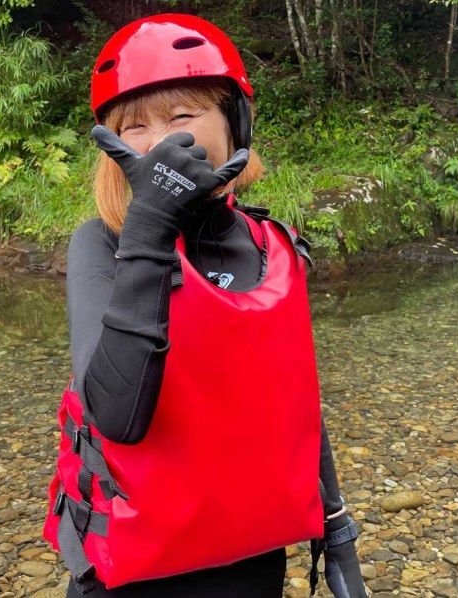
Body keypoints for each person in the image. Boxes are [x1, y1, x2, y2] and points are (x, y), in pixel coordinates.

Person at [41, 13, 368, 598]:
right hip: (134, 574)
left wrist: (336, 526)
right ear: (112, 145)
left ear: (234, 125)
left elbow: (298, 403)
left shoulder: (273, 247)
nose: (160, 139)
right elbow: (116, 416)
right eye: (135, 124)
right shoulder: (104, 245)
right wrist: (150, 228)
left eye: (182, 115)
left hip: (253, 558)